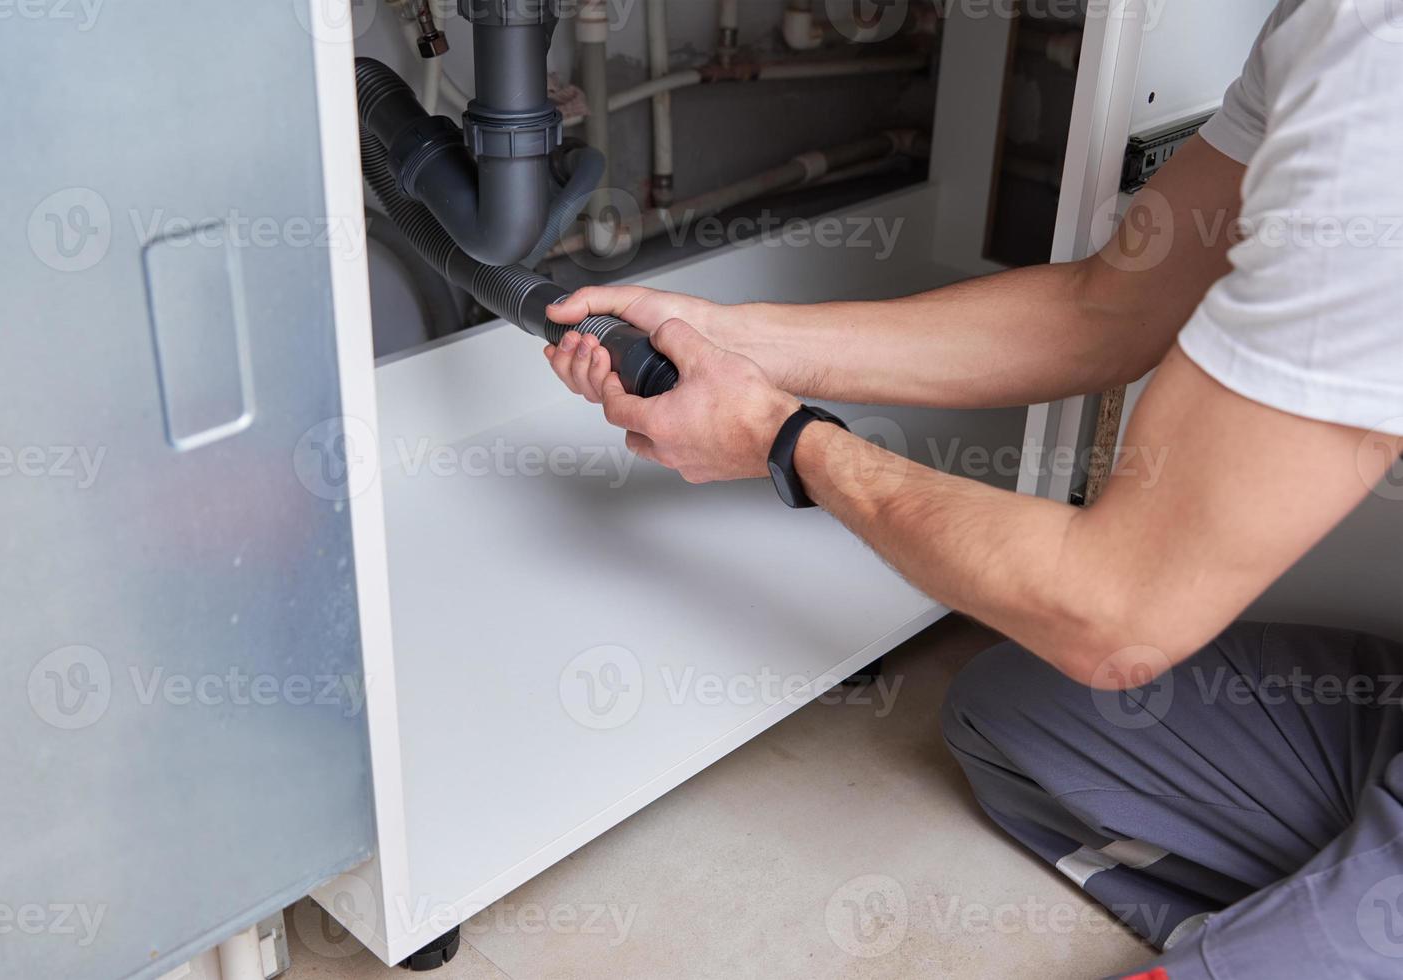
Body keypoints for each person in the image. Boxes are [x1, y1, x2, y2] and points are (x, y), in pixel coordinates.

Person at [539, 0, 1403, 975]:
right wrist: (725, 337)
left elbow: (1117, 611)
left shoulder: (1382, 73)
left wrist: (787, 443)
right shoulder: (1330, 27)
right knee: (1014, 718)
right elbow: (1106, 309)